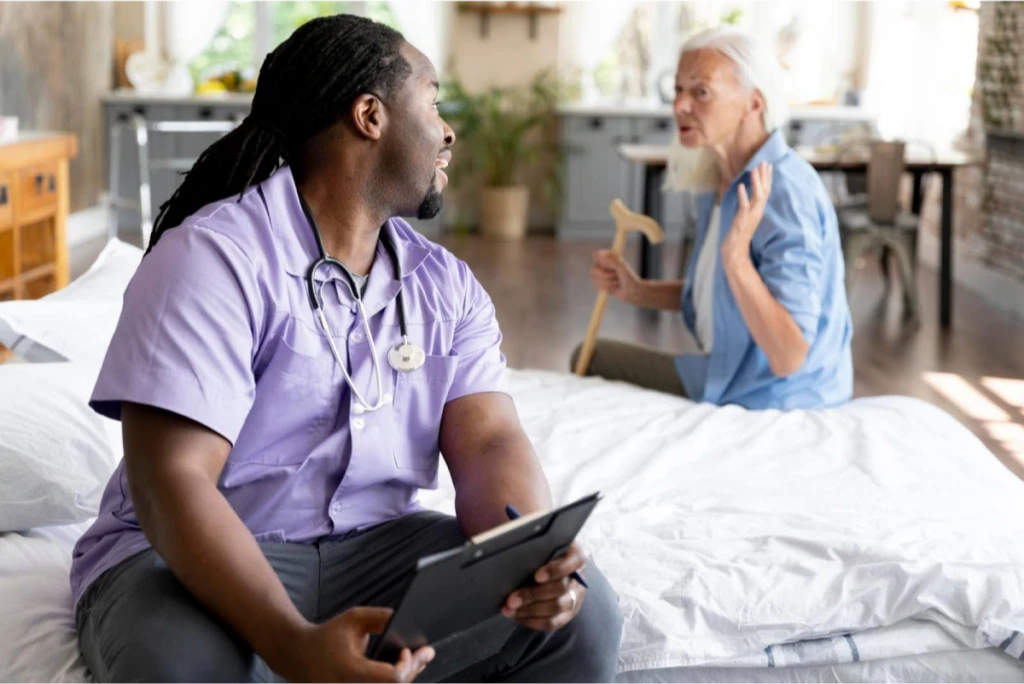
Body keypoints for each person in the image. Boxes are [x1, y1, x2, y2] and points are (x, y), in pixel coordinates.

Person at [71, 15, 622, 684]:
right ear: (371, 115)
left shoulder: (443, 285)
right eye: (433, 99)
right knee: (191, 672)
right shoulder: (213, 259)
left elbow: (489, 443)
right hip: (196, 552)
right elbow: (173, 485)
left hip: (374, 548)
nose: (449, 130)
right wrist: (291, 644)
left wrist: (528, 557)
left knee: (577, 625)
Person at [574, 27, 853, 410]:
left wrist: (736, 259)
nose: (679, 107)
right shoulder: (719, 181)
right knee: (588, 357)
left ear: (754, 104)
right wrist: (638, 290)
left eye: (700, 92)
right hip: (728, 376)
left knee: (590, 359)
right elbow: (718, 295)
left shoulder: (783, 191)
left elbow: (789, 357)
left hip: (778, 395)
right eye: (677, 90)